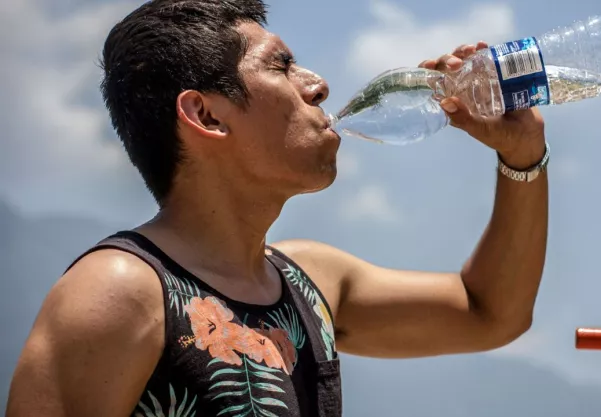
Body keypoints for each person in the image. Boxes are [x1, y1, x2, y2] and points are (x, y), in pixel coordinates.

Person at [6, 1, 549, 416]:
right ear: (207, 115)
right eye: (282, 66)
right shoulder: (119, 291)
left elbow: (491, 313)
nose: (318, 85)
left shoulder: (310, 280)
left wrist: (521, 156)